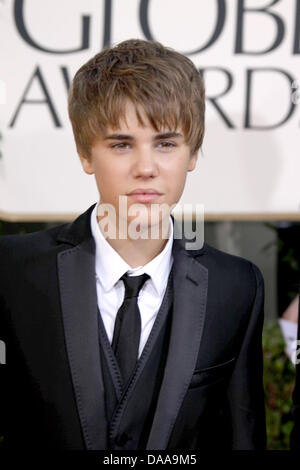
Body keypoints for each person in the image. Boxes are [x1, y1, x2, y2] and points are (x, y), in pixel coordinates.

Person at [0, 39, 266, 450]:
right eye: (121, 144)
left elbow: (242, 435)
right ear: (86, 154)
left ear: (192, 152)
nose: (146, 168)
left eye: (165, 143)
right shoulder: (13, 271)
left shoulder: (237, 287)